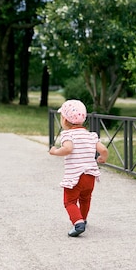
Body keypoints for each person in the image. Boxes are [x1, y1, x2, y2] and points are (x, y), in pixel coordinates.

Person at [49, 99, 108, 237]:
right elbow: (103, 150)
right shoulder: (91, 135)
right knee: (85, 198)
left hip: (75, 176)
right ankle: (83, 218)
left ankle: (78, 222)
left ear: (64, 120)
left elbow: (68, 149)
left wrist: (55, 151)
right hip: (90, 176)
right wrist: (102, 158)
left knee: (69, 201)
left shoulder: (67, 135)